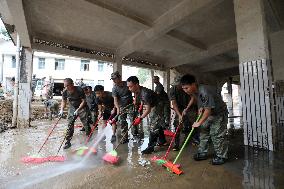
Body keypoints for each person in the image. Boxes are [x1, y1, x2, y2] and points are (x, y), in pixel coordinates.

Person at [180, 74, 228, 165]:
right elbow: (196, 99)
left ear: (193, 84)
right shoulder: (194, 91)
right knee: (203, 131)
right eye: (183, 89)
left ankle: (221, 156)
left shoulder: (205, 91)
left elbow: (208, 110)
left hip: (219, 113)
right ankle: (203, 152)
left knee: (217, 134)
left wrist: (199, 122)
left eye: (186, 88)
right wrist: (198, 107)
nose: (185, 91)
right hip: (209, 111)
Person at [126, 76, 166, 154]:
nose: (129, 89)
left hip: (158, 105)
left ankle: (150, 147)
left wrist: (140, 118)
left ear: (136, 85)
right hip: (152, 104)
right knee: (156, 124)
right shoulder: (137, 91)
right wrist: (140, 106)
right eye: (128, 87)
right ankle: (162, 140)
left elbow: (148, 110)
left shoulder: (145, 93)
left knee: (153, 126)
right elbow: (141, 101)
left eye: (130, 86)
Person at [58, 78, 91, 149]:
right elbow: (64, 101)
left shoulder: (79, 89)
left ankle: (89, 136)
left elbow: (84, 101)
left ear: (72, 84)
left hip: (82, 107)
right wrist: (61, 110)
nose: (66, 87)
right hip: (72, 107)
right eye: (65, 86)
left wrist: (78, 109)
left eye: (67, 85)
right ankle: (68, 141)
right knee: (70, 124)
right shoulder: (65, 92)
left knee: (85, 122)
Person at [169, 76, 198, 151]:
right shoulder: (173, 90)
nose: (177, 86)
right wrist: (179, 115)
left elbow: (193, 98)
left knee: (194, 122)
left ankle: (195, 138)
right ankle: (176, 144)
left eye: (178, 85)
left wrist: (187, 108)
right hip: (179, 107)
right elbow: (174, 104)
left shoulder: (187, 88)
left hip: (190, 106)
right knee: (177, 124)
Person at [110, 71, 133, 143]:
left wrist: (136, 101)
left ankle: (135, 133)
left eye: (115, 79)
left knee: (133, 120)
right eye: (112, 79)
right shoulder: (114, 88)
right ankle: (124, 137)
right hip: (121, 106)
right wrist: (118, 108)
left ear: (119, 77)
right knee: (122, 121)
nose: (114, 80)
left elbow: (135, 91)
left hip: (131, 105)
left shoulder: (127, 84)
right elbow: (115, 100)